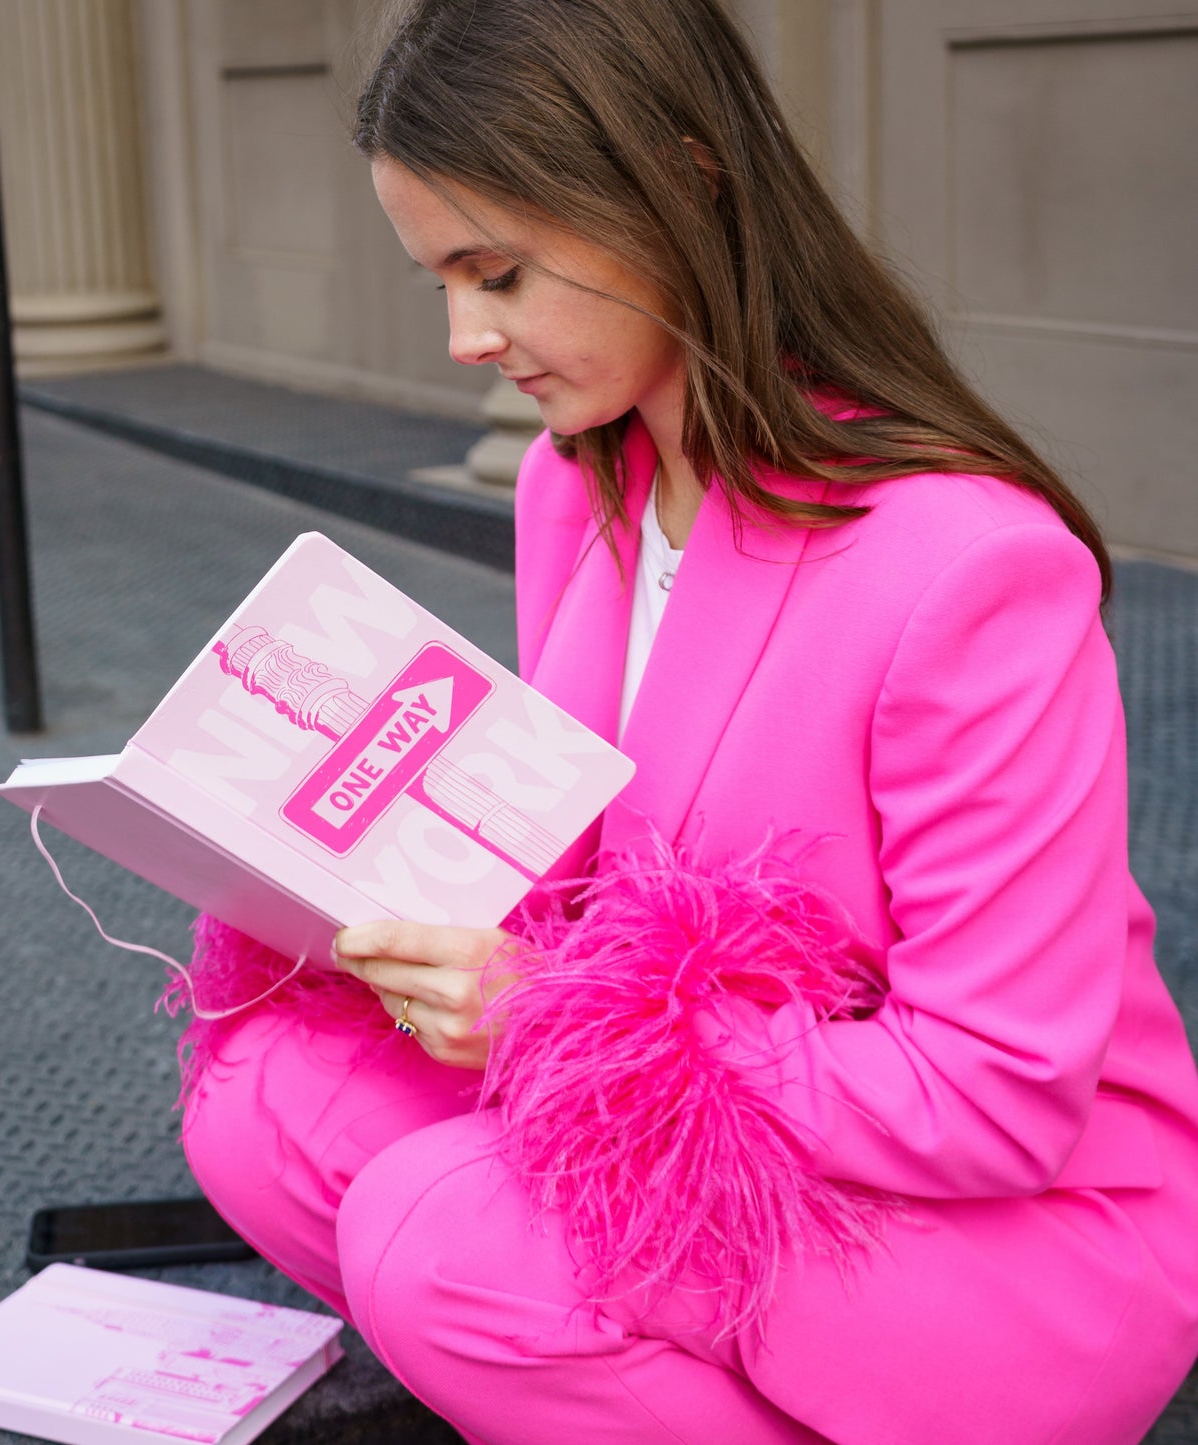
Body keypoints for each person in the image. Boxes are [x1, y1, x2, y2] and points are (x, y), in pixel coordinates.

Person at [171, 2, 1198, 1440]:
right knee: (267, 1100)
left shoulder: (965, 564)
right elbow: (602, 871)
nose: (466, 337)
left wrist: (548, 1018)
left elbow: (992, 1094)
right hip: (729, 1117)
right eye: (441, 282)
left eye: (499, 272)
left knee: (441, 1236)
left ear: (676, 180)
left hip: (1005, 1215)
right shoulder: (569, 484)